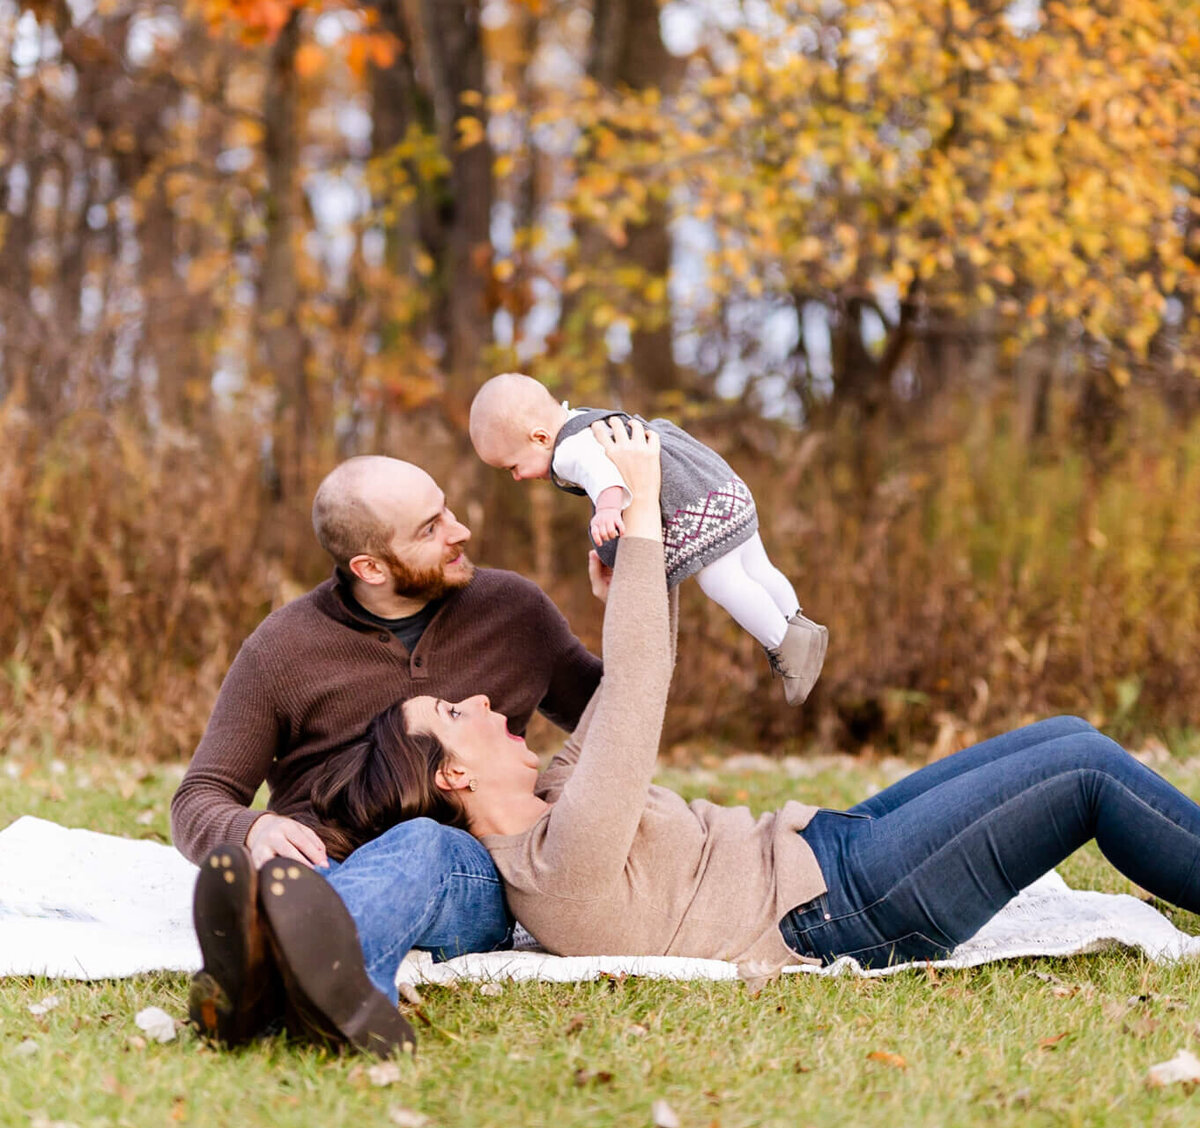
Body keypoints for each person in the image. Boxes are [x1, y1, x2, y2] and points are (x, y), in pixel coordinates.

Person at [313, 418, 1200, 975]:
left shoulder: (553, 799)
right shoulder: (559, 862)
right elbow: (641, 693)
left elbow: (630, 673)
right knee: (1084, 770)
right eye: (458, 717)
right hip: (852, 911)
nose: (490, 707)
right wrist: (649, 506)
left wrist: (631, 553)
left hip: (832, 847)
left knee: (1067, 731)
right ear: (454, 780)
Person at [172, 452, 600, 1045]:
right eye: (431, 529)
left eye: (444, 509)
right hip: (323, 864)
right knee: (300, 882)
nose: (460, 531)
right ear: (370, 566)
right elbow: (200, 794)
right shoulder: (282, 648)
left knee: (421, 843)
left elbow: (616, 712)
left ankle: (271, 970)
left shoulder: (514, 612)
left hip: (468, 872)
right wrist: (251, 830)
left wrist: (632, 595)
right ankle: (306, 980)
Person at [468, 373, 827, 704]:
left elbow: (602, 474)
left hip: (692, 503)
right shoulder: (584, 417)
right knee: (757, 566)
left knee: (722, 581)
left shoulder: (567, 452)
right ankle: (799, 627)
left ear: (540, 438)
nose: (516, 477)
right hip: (715, 483)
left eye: (512, 467)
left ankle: (785, 645)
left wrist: (608, 508)